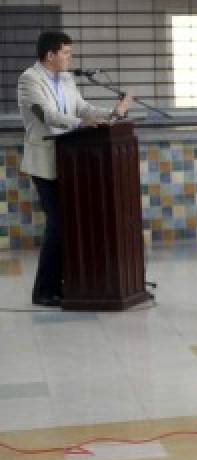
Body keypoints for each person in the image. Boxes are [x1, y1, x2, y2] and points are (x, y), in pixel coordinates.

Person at [18, 31, 132, 307]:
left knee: (70, 224)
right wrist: (81, 124)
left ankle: (65, 283)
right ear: (50, 55)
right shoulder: (29, 80)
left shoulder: (67, 79)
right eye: (66, 52)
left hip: (71, 162)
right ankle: (44, 290)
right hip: (45, 162)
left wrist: (113, 115)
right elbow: (48, 115)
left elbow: (82, 108)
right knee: (57, 225)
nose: (71, 57)